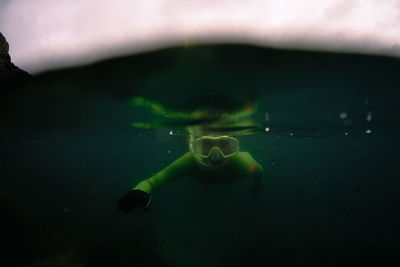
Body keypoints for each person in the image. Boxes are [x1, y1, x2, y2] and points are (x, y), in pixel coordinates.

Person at [118, 129, 265, 213]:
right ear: (193, 146)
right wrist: (137, 193)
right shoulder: (189, 161)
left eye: (225, 144)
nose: (215, 155)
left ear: (236, 147)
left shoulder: (245, 163)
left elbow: (259, 174)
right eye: (206, 145)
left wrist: (259, 185)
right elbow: (154, 181)